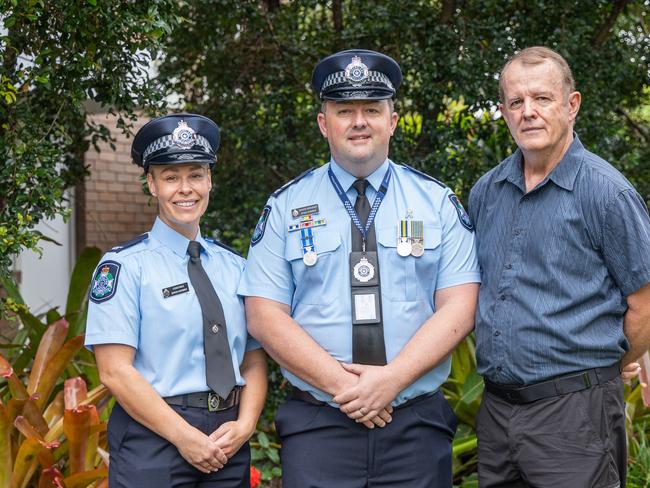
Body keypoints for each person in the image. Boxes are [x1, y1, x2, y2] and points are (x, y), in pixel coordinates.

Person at [238, 49, 480, 487]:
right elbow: (264, 315)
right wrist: (348, 388)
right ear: (323, 123)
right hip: (320, 426)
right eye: (344, 110)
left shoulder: (437, 203)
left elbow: (461, 306)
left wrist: (391, 381)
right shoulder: (286, 206)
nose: (359, 121)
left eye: (372, 109)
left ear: (392, 120)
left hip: (415, 425)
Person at [469, 46, 650, 488]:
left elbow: (645, 303)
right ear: (504, 112)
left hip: (575, 417)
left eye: (542, 98)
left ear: (572, 105)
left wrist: (610, 362)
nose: (528, 112)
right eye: (516, 102)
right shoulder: (486, 192)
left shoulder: (607, 194)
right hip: (497, 413)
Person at [85, 114, 267, 487]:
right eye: (171, 177)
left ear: (210, 180)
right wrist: (186, 438)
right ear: (152, 184)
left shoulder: (236, 267)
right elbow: (115, 371)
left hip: (227, 440)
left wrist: (246, 425)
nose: (186, 189)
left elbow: (253, 357)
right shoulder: (123, 267)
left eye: (196, 175)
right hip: (153, 440)